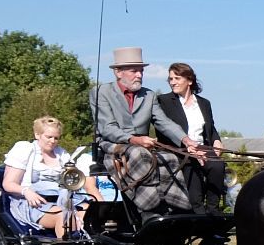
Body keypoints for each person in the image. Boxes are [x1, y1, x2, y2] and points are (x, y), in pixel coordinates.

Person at [90, 46, 196, 213]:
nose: (139, 75)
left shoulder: (149, 95)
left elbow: (164, 122)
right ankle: (148, 209)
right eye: (134, 71)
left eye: (141, 71)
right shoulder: (101, 93)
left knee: (170, 158)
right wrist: (134, 140)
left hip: (141, 143)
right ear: (118, 72)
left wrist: (185, 139)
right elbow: (107, 128)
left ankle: (177, 207)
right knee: (139, 154)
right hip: (112, 143)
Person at [2, 117, 103, 238]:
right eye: (49, 137)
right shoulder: (25, 150)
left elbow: (71, 182)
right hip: (33, 202)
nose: (53, 141)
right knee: (65, 216)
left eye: (56, 138)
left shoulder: (61, 154)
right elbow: (8, 184)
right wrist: (26, 191)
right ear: (37, 135)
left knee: (92, 213)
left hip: (62, 199)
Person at [156, 62, 227, 213]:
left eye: (177, 78)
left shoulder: (204, 103)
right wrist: (188, 149)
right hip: (179, 150)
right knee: (194, 185)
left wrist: (217, 140)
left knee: (218, 166)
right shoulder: (164, 101)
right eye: (170, 79)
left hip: (202, 147)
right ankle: (199, 217)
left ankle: (213, 210)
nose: (172, 82)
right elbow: (164, 129)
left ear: (189, 80)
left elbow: (210, 128)